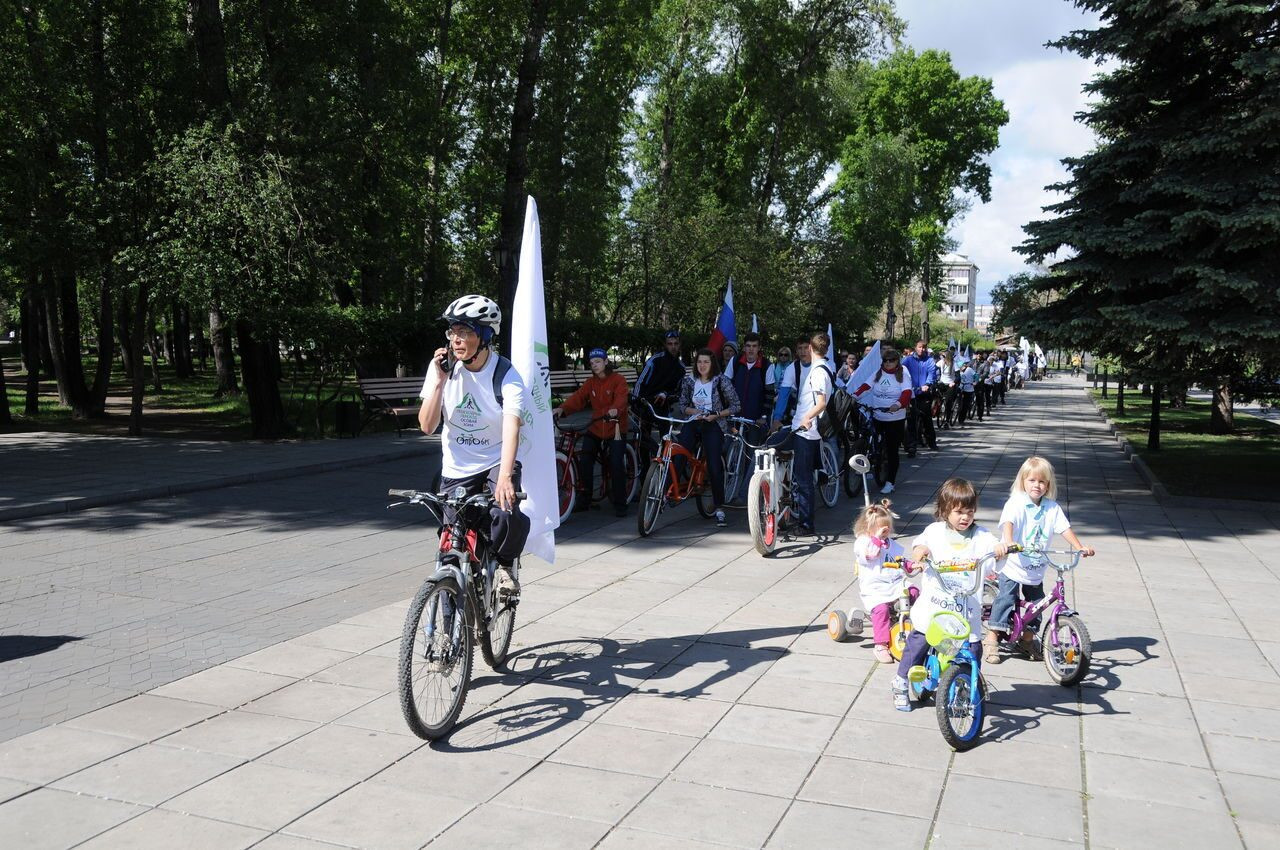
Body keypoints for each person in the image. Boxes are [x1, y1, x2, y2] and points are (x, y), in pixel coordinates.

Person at [418, 294, 530, 593]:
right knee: (450, 545)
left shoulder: (506, 375)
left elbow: (511, 427)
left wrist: (505, 477)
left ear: (484, 336)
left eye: (465, 332)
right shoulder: (442, 368)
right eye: (453, 331)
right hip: (457, 466)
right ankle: (450, 619)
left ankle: (506, 565)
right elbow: (426, 426)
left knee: (505, 511)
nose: (456, 339)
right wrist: (440, 381)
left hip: (496, 459)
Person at [891, 478, 1008, 711]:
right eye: (959, 512)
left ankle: (965, 685)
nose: (965, 517)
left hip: (966, 609)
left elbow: (994, 550)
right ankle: (901, 681)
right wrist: (920, 551)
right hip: (936, 606)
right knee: (920, 641)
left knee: (973, 648)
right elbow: (920, 545)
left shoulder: (982, 536)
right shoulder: (934, 532)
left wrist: (999, 550)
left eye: (970, 512)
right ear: (945, 511)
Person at [986, 457, 1096, 663]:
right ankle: (992, 638)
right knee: (1006, 598)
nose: (1037, 485)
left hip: (1035, 566)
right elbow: (1008, 523)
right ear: (1023, 482)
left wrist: (1080, 547)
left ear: (1048, 485)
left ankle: (1027, 639)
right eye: (1032, 480)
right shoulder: (1016, 502)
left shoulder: (1051, 508)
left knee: (1038, 603)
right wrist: (1009, 542)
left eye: (1042, 482)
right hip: (1013, 563)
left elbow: (1064, 528)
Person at [553, 347, 630, 518]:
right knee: (585, 459)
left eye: (597, 362)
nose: (594, 365)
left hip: (615, 427)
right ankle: (585, 499)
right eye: (592, 363)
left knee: (616, 463)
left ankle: (620, 503)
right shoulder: (591, 382)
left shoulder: (618, 380)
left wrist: (615, 410)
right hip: (596, 426)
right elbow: (578, 398)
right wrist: (562, 409)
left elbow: (621, 398)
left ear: (606, 362)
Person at [675, 348, 741, 527]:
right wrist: (694, 412)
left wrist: (717, 414)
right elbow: (682, 405)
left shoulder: (722, 381)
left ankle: (719, 506)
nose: (702, 365)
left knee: (713, 464)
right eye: (699, 362)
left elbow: (736, 405)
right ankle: (669, 492)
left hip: (714, 423)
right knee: (680, 451)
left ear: (712, 364)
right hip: (694, 421)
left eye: (706, 362)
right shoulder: (689, 381)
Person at [852, 499, 915, 664]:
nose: (885, 531)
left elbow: (900, 559)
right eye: (880, 528)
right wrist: (877, 539)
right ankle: (880, 645)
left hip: (894, 583)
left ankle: (916, 627)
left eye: (886, 528)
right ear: (868, 528)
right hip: (875, 588)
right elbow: (871, 555)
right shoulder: (863, 542)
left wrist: (911, 565)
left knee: (914, 592)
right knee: (881, 610)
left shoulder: (891, 544)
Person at [851, 346, 912, 494]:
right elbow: (865, 386)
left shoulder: (903, 374)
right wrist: (854, 396)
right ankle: (866, 460)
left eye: (892, 360)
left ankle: (890, 482)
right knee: (867, 437)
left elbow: (906, 393)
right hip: (878, 415)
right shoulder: (877, 374)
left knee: (892, 451)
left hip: (895, 418)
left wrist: (897, 405)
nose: (888, 363)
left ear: (897, 361)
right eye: (885, 360)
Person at [789, 331, 833, 534]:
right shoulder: (822, 368)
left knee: (803, 479)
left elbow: (821, 403)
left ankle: (806, 524)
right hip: (803, 431)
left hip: (806, 432)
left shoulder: (818, 372)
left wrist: (807, 417)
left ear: (810, 348)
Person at [728, 332, 773, 503]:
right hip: (734, 416)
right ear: (744, 347)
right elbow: (725, 385)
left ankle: (747, 493)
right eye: (748, 346)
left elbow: (769, 394)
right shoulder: (735, 362)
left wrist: (763, 416)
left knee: (751, 454)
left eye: (754, 346)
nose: (751, 350)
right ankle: (728, 484)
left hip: (755, 418)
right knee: (728, 450)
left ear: (759, 348)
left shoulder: (766, 366)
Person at [633, 329, 686, 459]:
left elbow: (678, 390)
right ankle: (644, 470)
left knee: (666, 438)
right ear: (665, 345)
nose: (673, 347)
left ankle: (665, 466)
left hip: (662, 406)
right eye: (670, 343)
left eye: (675, 343)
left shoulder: (681, 368)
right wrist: (636, 401)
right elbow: (640, 382)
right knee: (643, 440)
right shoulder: (654, 360)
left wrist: (666, 394)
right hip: (644, 403)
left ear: (679, 345)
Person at [904, 340, 939, 452]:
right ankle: (911, 446)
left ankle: (931, 442)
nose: (922, 349)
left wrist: (927, 384)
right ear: (915, 347)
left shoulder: (929, 360)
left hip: (923, 394)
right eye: (920, 347)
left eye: (924, 347)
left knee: (926, 419)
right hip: (911, 393)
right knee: (910, 421)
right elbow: (901, 371)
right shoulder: (908, 360)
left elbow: (932, 373)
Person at [771, 335, 813, 427]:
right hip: (802, 413)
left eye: (806, 347)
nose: (803, 351)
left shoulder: (821, 365)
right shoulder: (792, 368)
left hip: (822, 413)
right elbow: (783, 394)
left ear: (811, 348)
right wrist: (777, 418)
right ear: (796, 351)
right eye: (800, 348)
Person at [937, 348, 957, 428]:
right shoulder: (941, 362)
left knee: (948, 402)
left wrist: (953, 382)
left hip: (950, 384)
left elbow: (958, 376)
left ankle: (947, 421)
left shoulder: (954, 364)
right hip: (942, 383)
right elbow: (933, 369)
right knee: (936, 396)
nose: (942, 358)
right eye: (942, 356)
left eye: (944, 356)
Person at [957, 357, 977, 425]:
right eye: (960, 367)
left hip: (969, 388)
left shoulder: (969, 369)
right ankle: (958, 416)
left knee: (965, 405)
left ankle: (962, 419)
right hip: (961, 387)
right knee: (960, 404)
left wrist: (975, 382)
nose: (961, 368)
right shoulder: (959, 371)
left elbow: (976, 376)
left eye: (962, 367)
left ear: (965, 365)